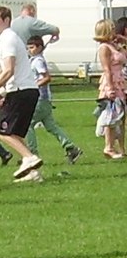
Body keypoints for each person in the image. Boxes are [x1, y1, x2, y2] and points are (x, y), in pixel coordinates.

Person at [0, 6, 43, 180]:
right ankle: (33, 173)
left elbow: (8, 71)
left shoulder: (8, 38)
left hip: (20, 90)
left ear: (6, 20)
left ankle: (29, 158)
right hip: (27, 90)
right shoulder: (7, 38)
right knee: (16, 134)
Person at [25, 36, 83, 165]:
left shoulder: (38, 61)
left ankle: (32, 154)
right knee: (52, 126)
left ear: (40, 47)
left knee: (27, 124)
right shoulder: (33, 60)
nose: (30, 50)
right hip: (45, 99)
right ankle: (71, 147)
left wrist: (35, 85)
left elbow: (46, 77)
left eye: (32, 47)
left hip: (40, 98)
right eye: (28, 48)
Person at [93, 19, 125, 159]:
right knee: (111, 113)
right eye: (111, 28)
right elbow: (107, 69)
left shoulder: (114, 46)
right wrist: (110, 88)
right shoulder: (104, 48)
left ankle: (116, 147)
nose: (114, 30)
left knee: (118, 114)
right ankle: (109, 146)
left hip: (121, 81)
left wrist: (123, 40)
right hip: (111, 81)